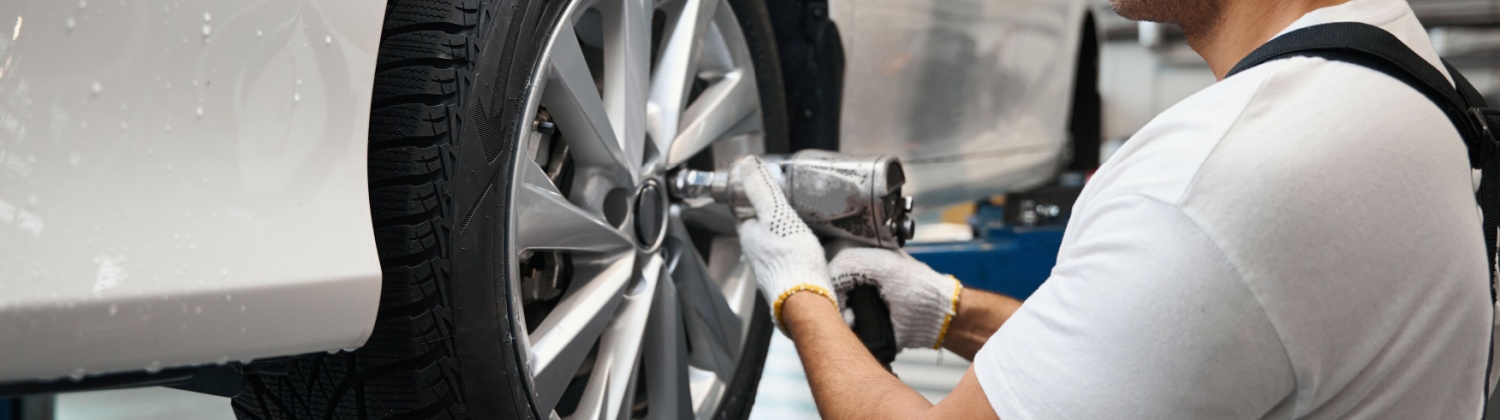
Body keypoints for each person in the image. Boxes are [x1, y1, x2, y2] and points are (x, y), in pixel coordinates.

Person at [734, 0, 1498, 417]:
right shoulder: (1407, 87)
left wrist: (802, 298)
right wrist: (950, 312)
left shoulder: (1212, 181)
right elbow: (1196, 353)